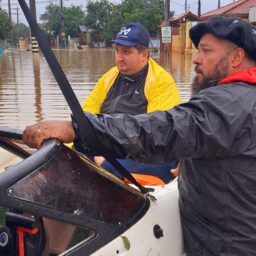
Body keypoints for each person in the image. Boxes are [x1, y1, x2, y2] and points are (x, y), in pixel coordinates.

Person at [23, 15, 256, 255]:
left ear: (236, 58)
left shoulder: (224, 103)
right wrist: (191, 163)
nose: (195, 59)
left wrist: (77, 129)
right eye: (118, 51)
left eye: (206, 51)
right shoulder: (241, 101)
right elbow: (215, 140)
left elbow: (163, 131)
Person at [81, 22, 180, 185]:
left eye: (126, 52)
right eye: (117, 51)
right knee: (69, 154)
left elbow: (155, 136)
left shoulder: (162, 82)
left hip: (153, 157)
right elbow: (85, 117)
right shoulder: (108, 78)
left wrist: (107, 155)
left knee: (108, 168)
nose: (119, 58)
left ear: (144, 55)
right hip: (110, 150)